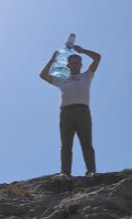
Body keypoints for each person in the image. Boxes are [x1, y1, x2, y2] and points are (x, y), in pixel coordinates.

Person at [39, 44, 101, 177]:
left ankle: (91, 171)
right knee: (66, 145)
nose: (74, 64)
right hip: (65, 113)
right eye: (72, 62)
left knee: (86, 143)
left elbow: (97, 58)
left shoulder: (87, 76)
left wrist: (83, 51)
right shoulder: (62, 80)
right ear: (68, 65)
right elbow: (43, 75)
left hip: (83, 111)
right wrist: (53, 60)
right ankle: (65, 173)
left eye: (77, 62)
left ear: (81, 64)